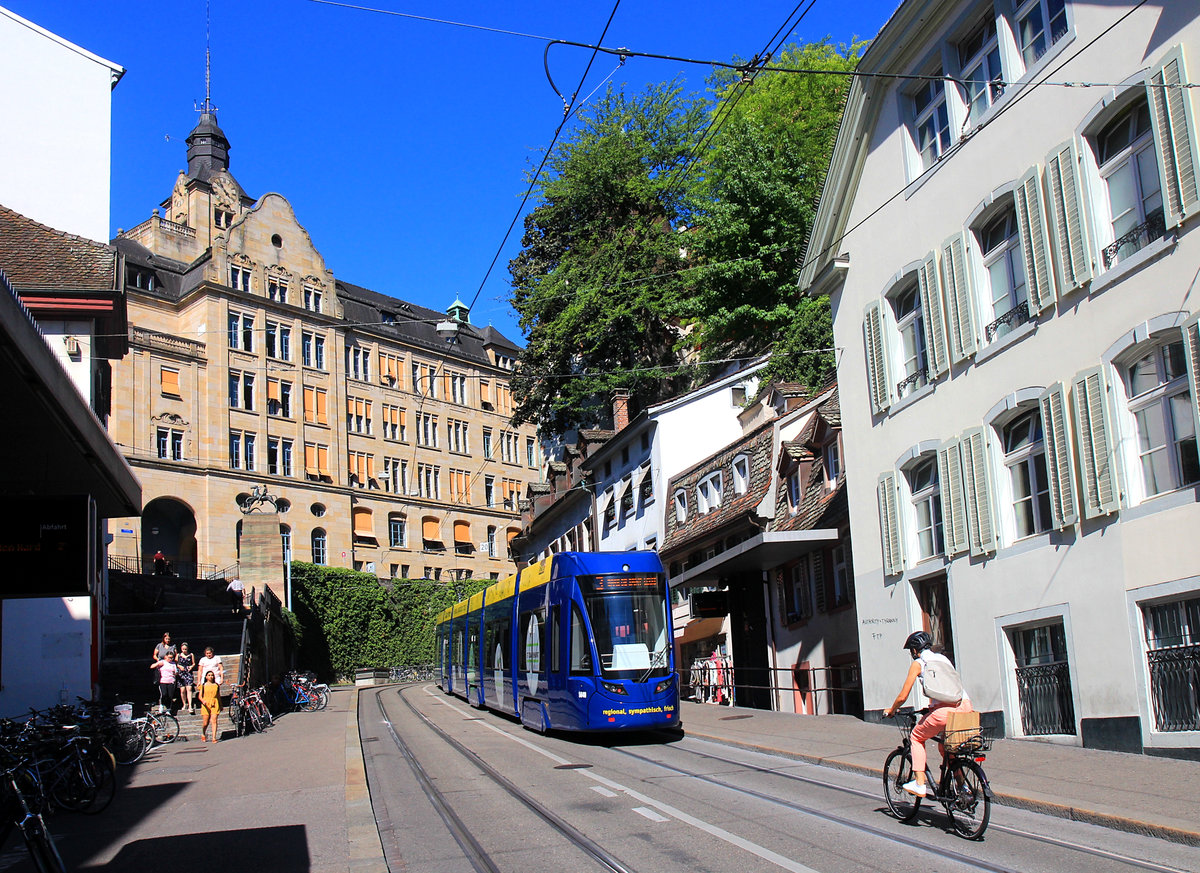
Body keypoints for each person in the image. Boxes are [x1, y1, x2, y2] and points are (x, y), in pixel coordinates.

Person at [883, 631, 974, 797]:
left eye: (912, 651)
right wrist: (931, 708)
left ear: (915, 650)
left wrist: (892, 709)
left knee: (916, 737)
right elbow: (945, 687)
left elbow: (903, 696)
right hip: (966, 707)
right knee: (946, 746)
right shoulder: (944, 659)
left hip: (946, 712)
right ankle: (962, 787)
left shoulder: (919, 663)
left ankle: (919, 784)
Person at [151, 649, 179, 714]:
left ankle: (168, 709)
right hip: (163, 681)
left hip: (171, 681)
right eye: (169, 657)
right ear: (165, 657)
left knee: (170, 696)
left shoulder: (173, 664)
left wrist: (176, 673)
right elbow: (152, 666)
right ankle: (161, 706)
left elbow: (176, 672)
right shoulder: (163, 662)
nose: (170, 659)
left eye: (172, 658)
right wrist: (158, 664)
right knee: (164, 694)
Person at [199, 670, 221, 742]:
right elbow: (200, 696)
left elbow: (218, 696)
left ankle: (214, 737)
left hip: (215, 703)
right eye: (209, 675)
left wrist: (220, 705)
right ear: (206, 677)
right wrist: (203, 701)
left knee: (214, 720)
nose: (211, 676)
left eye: (212, 675)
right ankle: (203, 733)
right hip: (206, 703)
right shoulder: (203, 685)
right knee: (206, 722)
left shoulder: (216, 685)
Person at [176, 642, 197, 714]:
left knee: (189, 688)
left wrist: (191, 666)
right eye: (183, 649)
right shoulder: (178, 655)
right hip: (181, 673)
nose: (184, 650)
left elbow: (193, 663)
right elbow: (176, 663)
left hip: (188, 672)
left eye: (185, 649)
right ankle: (184, 704)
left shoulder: (191, 655)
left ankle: (190, 705)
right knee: (182, 690)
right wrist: (179, 666)